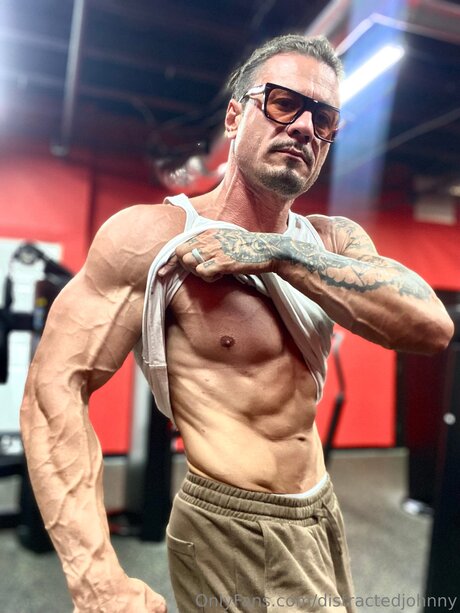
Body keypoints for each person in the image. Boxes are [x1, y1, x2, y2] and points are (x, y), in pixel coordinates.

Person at [20, 34, 453, 613]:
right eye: (283, 103)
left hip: (319, 509)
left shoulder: (330, 240)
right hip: (234, 524)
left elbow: (431, 327)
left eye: (323, 118)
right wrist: (95, 578)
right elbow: (53, 391)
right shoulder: (152, 238)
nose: (304, 127)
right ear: (233, 116)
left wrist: (278, 253)